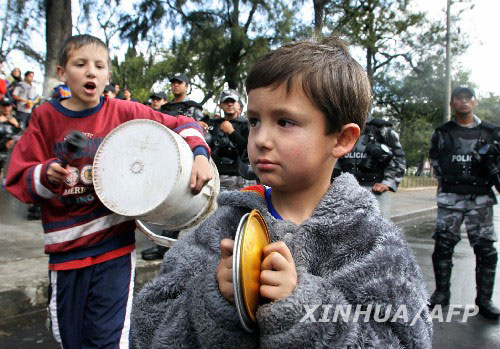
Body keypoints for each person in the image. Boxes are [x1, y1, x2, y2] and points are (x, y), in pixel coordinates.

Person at [132, 36, 432, 348]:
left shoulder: (371, 242)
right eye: (255, 121)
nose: (260, 138)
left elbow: (408, 339)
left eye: (285, 122)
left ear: (342, 139)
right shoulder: (220, 227)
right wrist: (214, 299)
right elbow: (148, 326)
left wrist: (304, 309)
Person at [5, 34, 213, 348]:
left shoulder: (123, 112)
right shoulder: (45, 117)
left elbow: (184, 123)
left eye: (99, 66)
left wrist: (200, 156)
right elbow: (18, 176)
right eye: (81, 64)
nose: (91, 72)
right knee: (70, 339)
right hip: (65, 255)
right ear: (62, 73)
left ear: (107, 76)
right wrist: (45, 174)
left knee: (109, 340)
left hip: (112, 248)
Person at [428, 86, 500, 320]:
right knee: (443, 246)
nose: (463, 102)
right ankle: (441, 294)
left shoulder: (491, 133)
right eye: (458, 98)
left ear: (475, 102)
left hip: (480, 198)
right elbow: (436, 160)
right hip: (450, 198)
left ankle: (484, 300)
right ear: (452, 104)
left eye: (468, 98)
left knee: (486, 250)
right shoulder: (443, 132)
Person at [334, 117, 406, 216]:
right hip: (344, 191)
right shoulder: (338, 127)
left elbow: (399, 156)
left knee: (378, 229)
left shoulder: (381, 128)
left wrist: (388, 182)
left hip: (374, 189)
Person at [205, 89, 253, 191]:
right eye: (226, 102)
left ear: (239, 105)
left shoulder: (246, 124)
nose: (230, 104)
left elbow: (249, 148)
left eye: (233, 101)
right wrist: (200, 124)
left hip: (240, 176)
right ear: (220, 105)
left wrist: (232, 132)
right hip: (217, 175)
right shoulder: (213, 124)